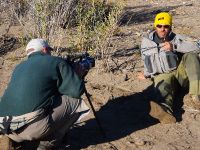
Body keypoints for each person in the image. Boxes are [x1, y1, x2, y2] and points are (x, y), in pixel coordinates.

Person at [0, 39, 90, 149]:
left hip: (5, 126)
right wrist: (78, 75)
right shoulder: (56, 61)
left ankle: (14, 140)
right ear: (45, 49)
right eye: (49, 51)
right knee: (76, 102)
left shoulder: (19, 67)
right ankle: (45, 144)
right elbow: (76, 91)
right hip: (31, 129)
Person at [139, 12, 200, 124]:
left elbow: (197, 47)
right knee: (162, 89)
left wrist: (175, 47)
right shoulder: (146, 42)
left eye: (166, 26)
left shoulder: (176, 38)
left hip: (180, 75)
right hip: (162, 75)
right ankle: (165, 111)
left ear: (170, 27)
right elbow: (145, 59)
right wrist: (146, 74)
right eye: (159, 26)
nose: (163, 29)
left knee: (191, 55)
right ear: (155, 26)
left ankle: (196, 94)